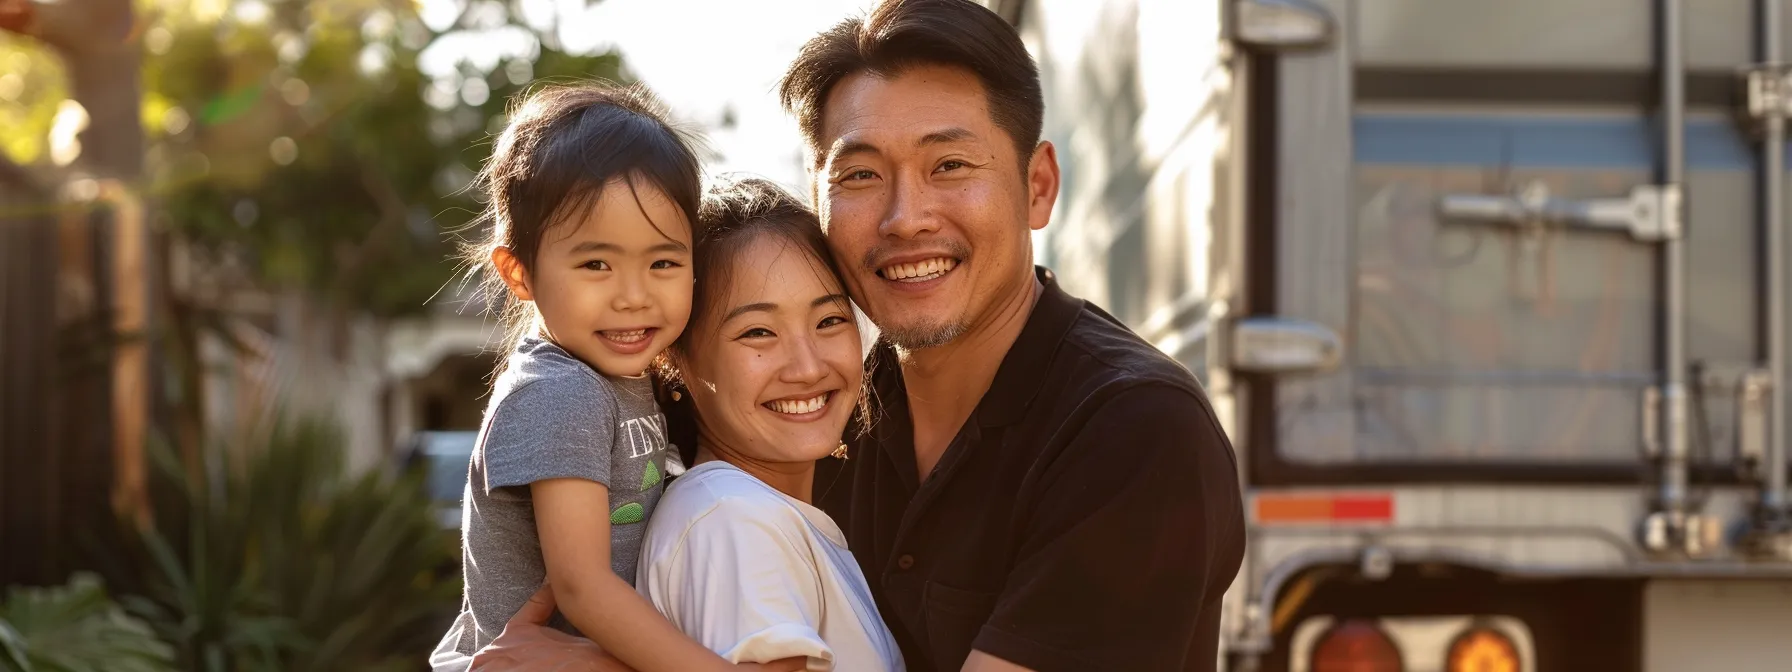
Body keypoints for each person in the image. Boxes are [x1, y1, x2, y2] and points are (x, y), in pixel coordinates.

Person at [465, 0, 1246, 669]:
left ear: (1037, 186)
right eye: (861, 175)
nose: (906, 217)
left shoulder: (1132, 432)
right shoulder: (820, 414)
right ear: (819, 200)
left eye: (949, 165)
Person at [434, 81, 804, 672]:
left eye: (663, 262)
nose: (634, 297)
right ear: (520, 272)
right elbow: (582, 588)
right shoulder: (559, 391)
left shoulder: (621, 378)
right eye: (596, 264)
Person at [636, 175, 904, 670]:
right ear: (677, 360)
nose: (807, 367)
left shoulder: (758, 513)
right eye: (758, 332)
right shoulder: (732, 519)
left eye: (829, 321)